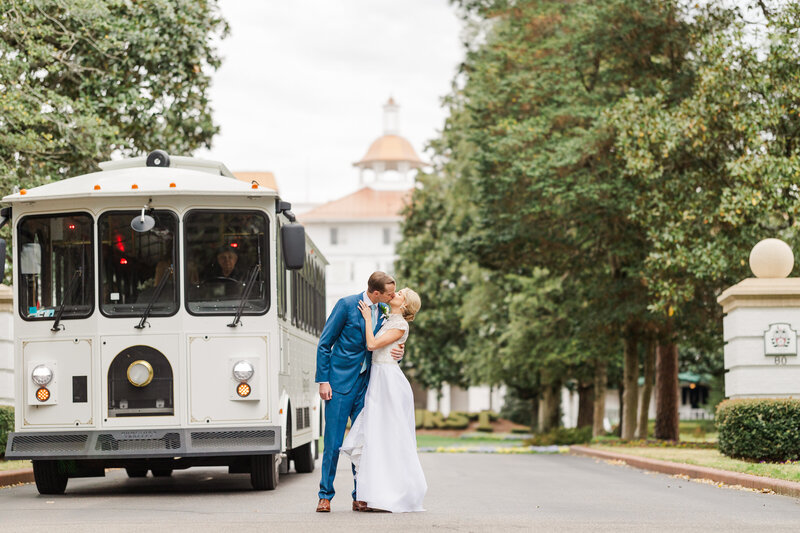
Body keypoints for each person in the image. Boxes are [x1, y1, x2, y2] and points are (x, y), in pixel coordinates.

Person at [315, 272, 404, 513]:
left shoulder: (385, 312)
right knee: (333, 443)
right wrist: (323, 380)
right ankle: (325, 496)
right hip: (339, 384)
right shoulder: (346, 305)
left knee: (363, 443)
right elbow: (325, 344)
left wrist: (399, 352)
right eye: (389, 293)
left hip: (367, 386)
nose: (394, 295)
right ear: (376, 293)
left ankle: (360, 495)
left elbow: (385, 342)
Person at [339, 287, 426, 513]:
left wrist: (367, 318)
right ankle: (373, 493)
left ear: (404, 305)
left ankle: (396, 491)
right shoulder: (389, 318)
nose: (394, 293)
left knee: (388, 434)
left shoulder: (400, 324)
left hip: (388, 382)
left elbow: (372, 345)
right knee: (375, 434)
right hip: (378, 378)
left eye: (400, 294)